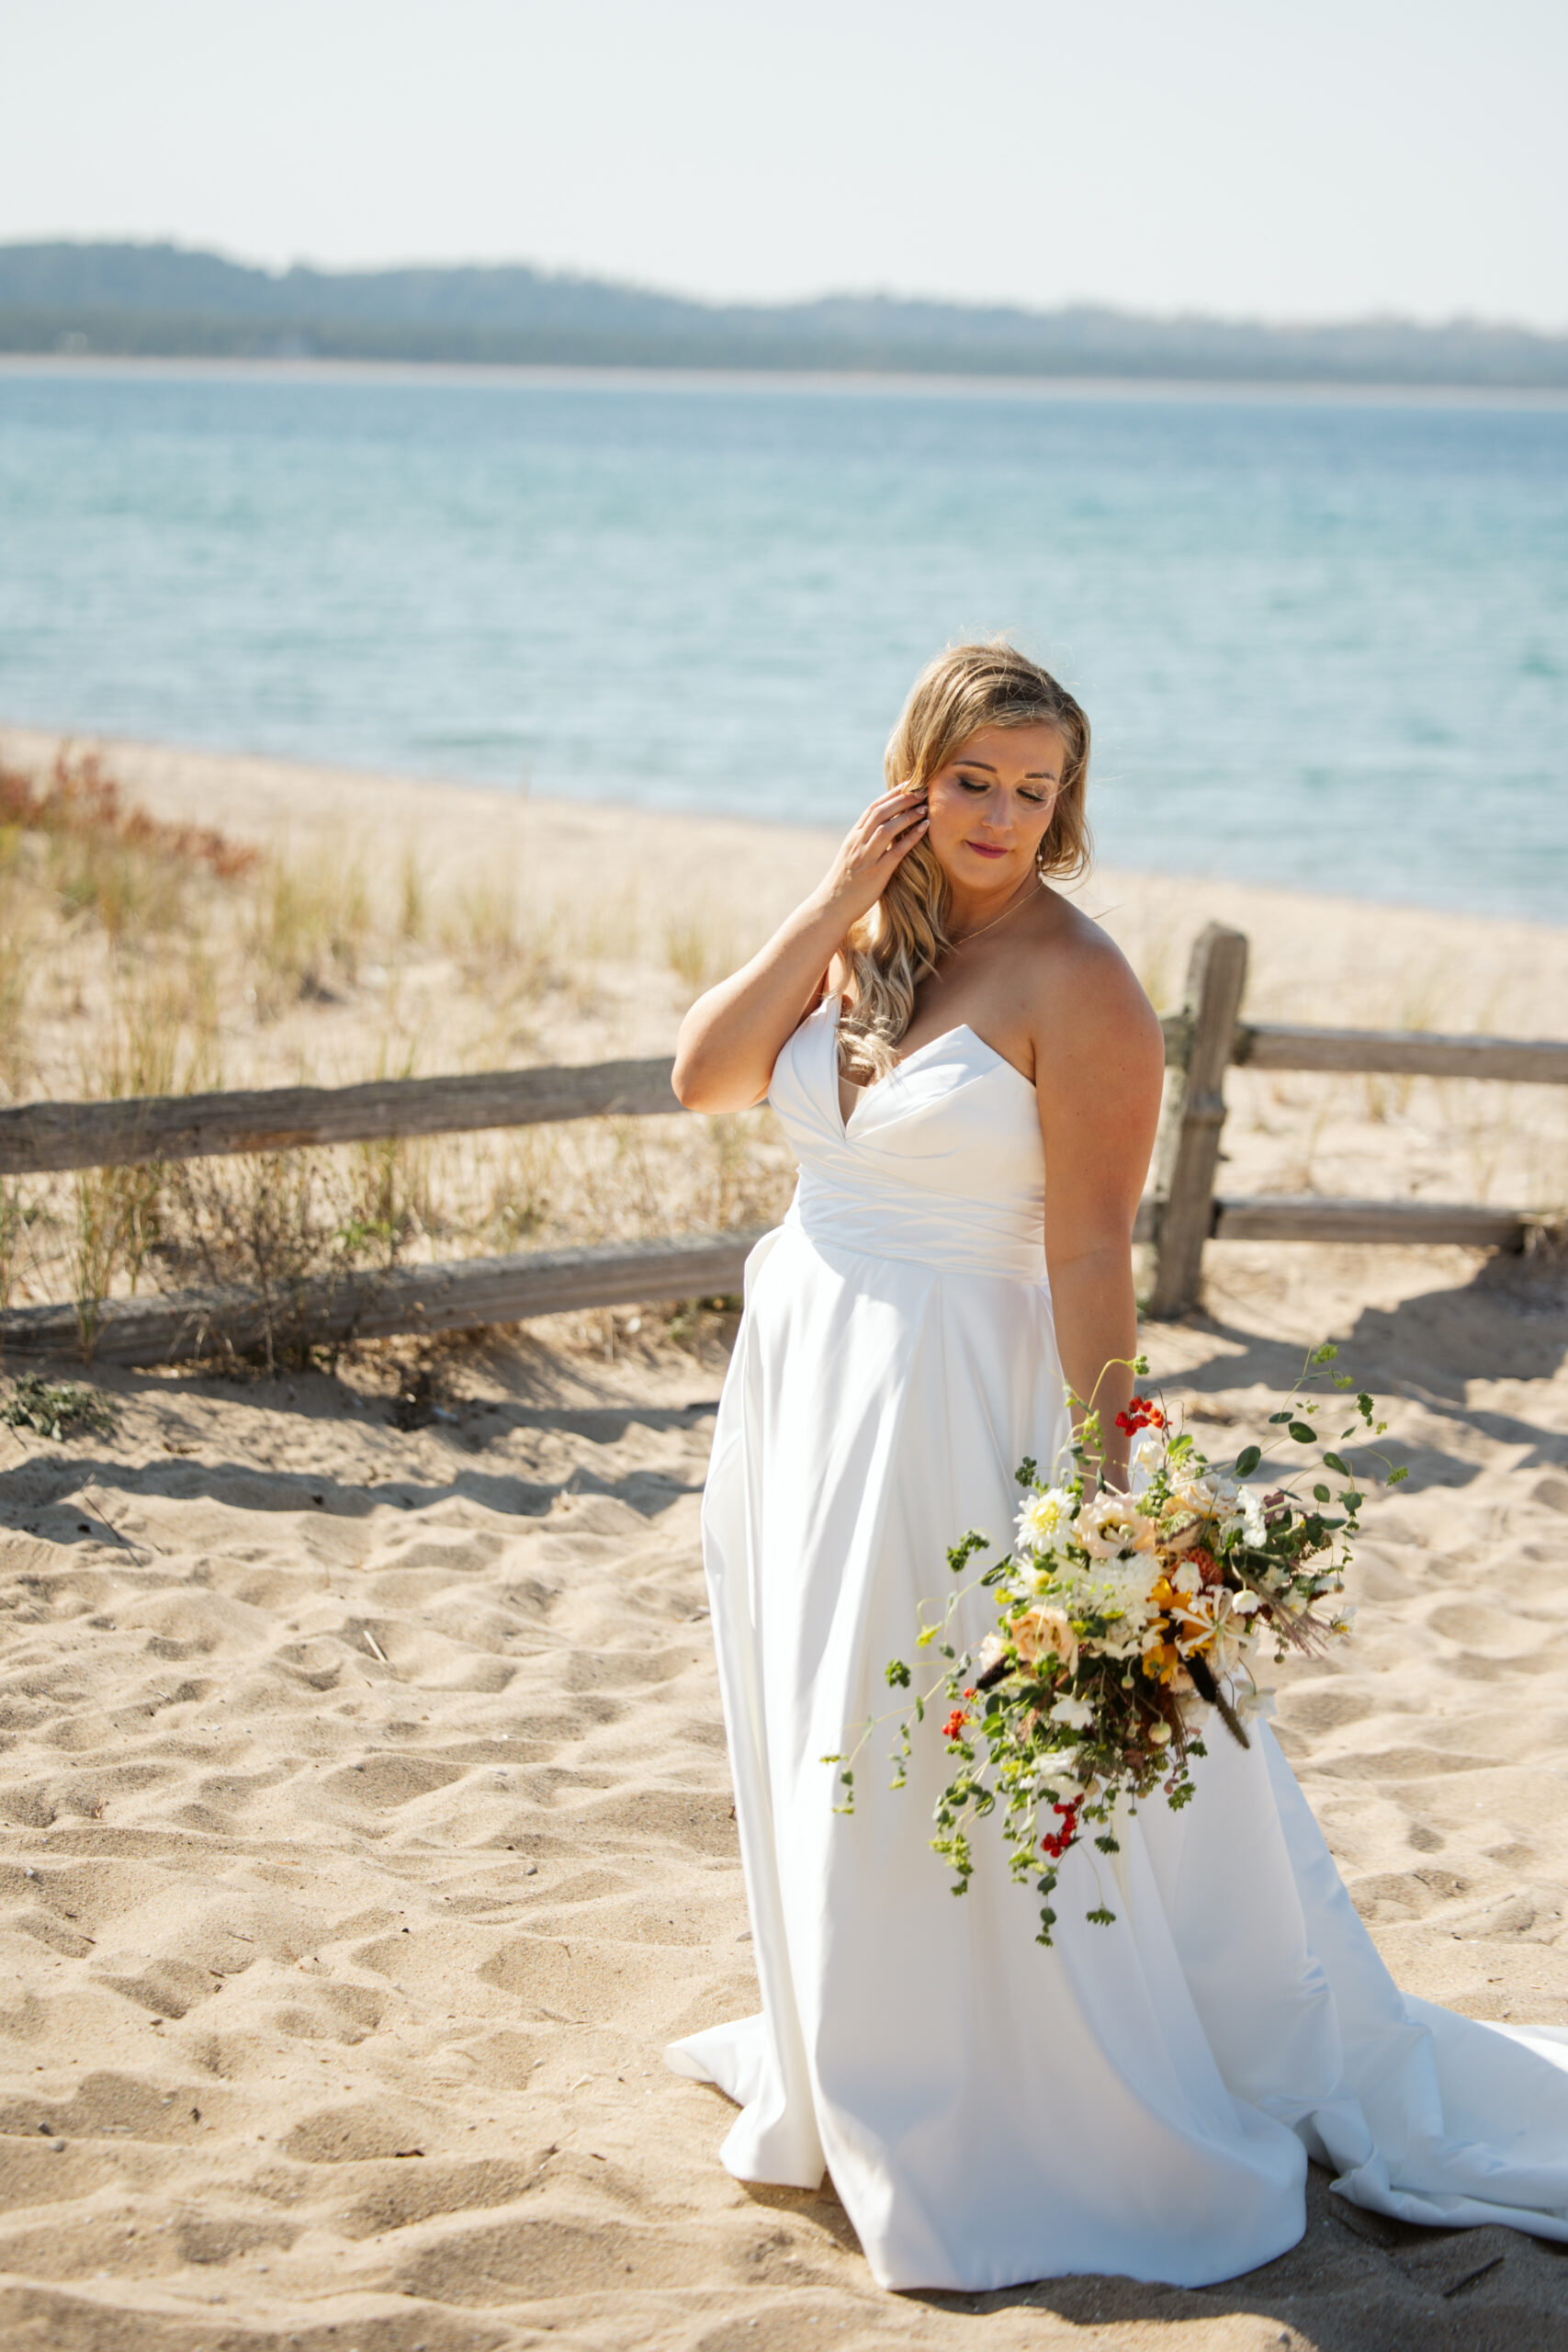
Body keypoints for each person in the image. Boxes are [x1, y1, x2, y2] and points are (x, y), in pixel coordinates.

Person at [663, 640, 1568, 2293]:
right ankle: (860, 2046)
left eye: (1038, 789)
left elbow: (1091, 1255)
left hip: (957, 1386)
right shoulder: (865, 936)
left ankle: (1012, 2097)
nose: (1005, 816)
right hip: (803, 1368)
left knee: (946, 1735)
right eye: (974, 782)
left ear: (1069, 801)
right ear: (914, 775)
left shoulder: (1083, 985)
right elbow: (705, 1074)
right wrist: (825, 899)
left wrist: (1105, 1489)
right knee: (823, 1719)